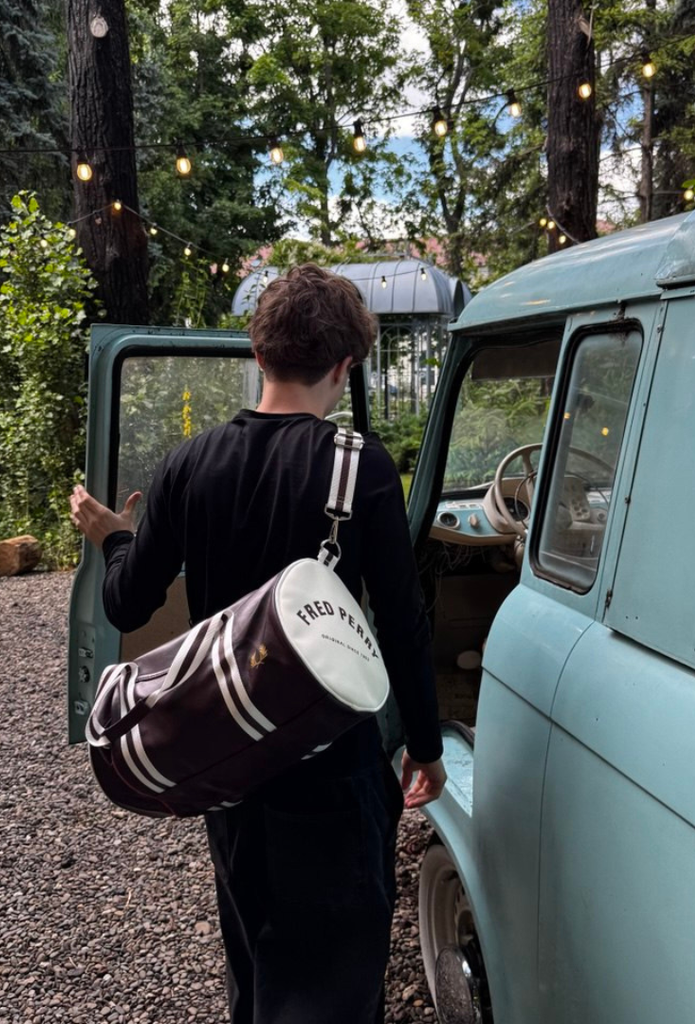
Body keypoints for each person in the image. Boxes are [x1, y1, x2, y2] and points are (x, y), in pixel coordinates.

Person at [70, 263, 445, 1023]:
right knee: (339, 972)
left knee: (256, 955)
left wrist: (114, 539)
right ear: (344, 367)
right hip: (333, 767)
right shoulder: (361, 467)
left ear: (256, 351)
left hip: (231, 765)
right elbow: (401, 620)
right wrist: (425, 747)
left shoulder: (187, 465)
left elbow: (126, 599)